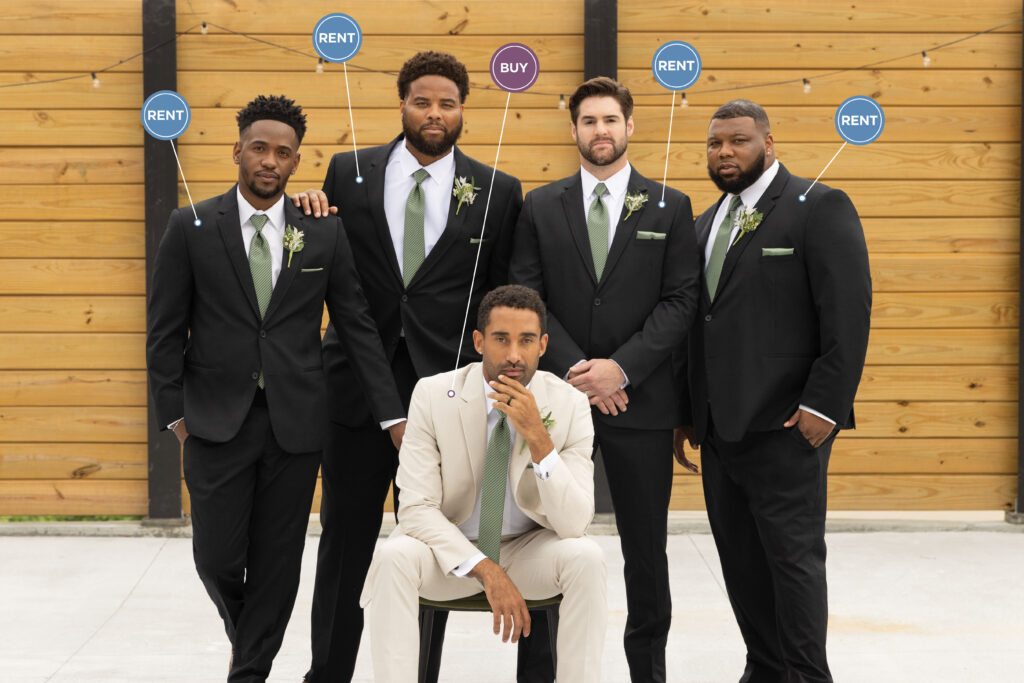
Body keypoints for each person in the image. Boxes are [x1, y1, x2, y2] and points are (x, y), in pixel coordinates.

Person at [146, 94, 404, 682]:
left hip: (296, 422)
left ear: (295, 162)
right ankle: (249, 637)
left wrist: (391, 415)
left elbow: (357, 326)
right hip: (212, 419)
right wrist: (173, 415)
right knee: (215, 557)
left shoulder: (322, 232)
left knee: (279, 561)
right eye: (259, 148)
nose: (270, 160)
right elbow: (163, 330)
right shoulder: (189, 227)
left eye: (283, 153)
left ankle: (250, 672)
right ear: (236, 150)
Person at [289, 51, 525, 682]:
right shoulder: (347, 173)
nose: (434, 113)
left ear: (463, 111)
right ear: (402, 104)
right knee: (345, 540)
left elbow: (499, 300)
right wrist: (307, 208)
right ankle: (328, 673)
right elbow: (330, 268)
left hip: (442, 399)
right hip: (354, 391)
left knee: (428, 546)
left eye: (447, 103)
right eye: (422, 101)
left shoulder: (498, 191)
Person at [509, 76, 701, 682]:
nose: (600, 131)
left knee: (645, 551)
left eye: (610, 121)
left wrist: (623, 368)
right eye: (589, 121)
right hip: (556, 408)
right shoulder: (540, 206)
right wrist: (578, 371)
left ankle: (649, 672)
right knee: (545, 540)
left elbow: (681, 300)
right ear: (573, 130)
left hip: (637, 406)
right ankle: (540, 673)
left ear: (629, 126)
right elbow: (528, 296)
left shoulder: (670, 207)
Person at [676, 99, 871, 682]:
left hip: (788, 428)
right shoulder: (704, 225)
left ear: (767, 141)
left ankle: (808, 675)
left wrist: (823, 408)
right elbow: (697, 328)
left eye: (737, 141)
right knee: (740, 563)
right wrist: (688, 414)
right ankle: (763, 669)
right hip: (719, 432)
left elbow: (848, 313)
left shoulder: (819, 207)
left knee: (793, 564)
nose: (725, 153)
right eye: (715, 144)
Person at [360, 284, 606, 682]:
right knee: (393, 557)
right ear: (478, 341)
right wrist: (486, 570)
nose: (513, 355)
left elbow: (575, 523)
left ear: (543, 345)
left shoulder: (569, 404)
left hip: (529, 552)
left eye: (526, 340)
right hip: (453, 557)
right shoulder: (433, 394)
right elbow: (416, 509)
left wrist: (540, 441)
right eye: (501, 339)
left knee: (587, 558)